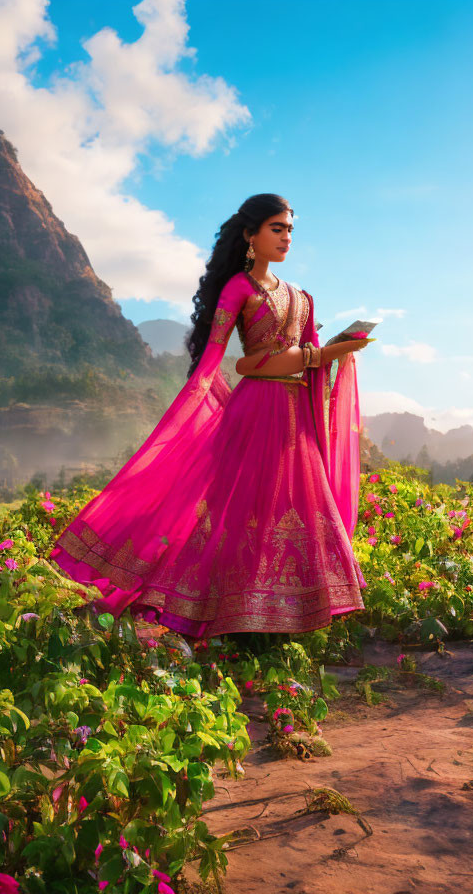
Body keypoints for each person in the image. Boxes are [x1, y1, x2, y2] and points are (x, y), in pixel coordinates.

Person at [49, 193, 369, 637]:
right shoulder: (238, 289)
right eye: (277, 228)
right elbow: (222, 358)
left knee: (295, 508)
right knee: (235, 512)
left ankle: (281, 621)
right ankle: (217, 614)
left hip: (296, 418)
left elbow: (310, 356)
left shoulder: (303, 298)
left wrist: (339, 352)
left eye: (290, 229)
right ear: (250, 236)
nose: (286, 237)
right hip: (254, 414)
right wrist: (196, 403)